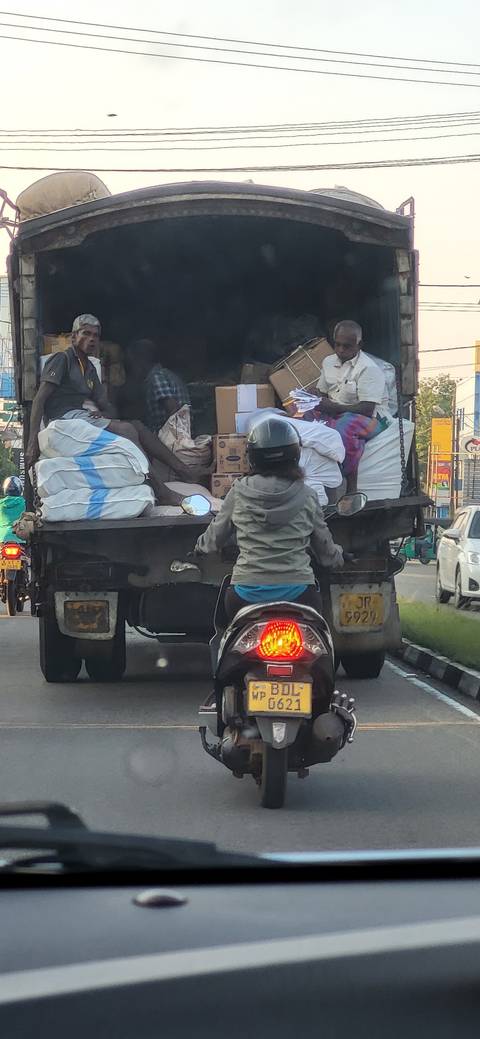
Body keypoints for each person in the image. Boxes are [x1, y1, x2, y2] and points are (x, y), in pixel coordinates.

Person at [25, 315, 194, 503]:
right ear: (73, 337)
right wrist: (32, 441)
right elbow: (39, 399)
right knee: (128, 430)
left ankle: (184, 471)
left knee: (137, 425)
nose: (91, 339)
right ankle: (160, 490)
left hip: (80, 418)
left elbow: (108, 407)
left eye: (95, 336)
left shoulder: (89, 368)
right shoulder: (62, 360)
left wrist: (104, 414)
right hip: (63, 421)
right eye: (86, 334)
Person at [195, 416, 344, 621]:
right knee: (321, 639)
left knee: (225, 634)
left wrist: (200, 548)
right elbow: (325, 550)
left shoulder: (238, 491)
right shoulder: (308, 495)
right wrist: (338, 555)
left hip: (244, 596)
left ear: (252, 456)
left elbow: (214, 538)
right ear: (295, 454)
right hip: (300, 594)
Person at [315, 319, 391, 492]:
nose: (341, 350)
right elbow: (323, 392)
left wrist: (334, 408)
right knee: (303, 420)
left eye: (347, 346)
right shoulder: (328, 362)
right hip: (337, 411)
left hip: (372, 418)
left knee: (344, 427)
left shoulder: (368, 369)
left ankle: (350, 485)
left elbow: (367, 409)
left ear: (359, 345)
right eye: (338, 345)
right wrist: (314, 398)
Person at [145, 354, 191, 435]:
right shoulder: (170, 375)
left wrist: (171, 437)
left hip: (171, 439)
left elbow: (173, 409)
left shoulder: (157, 376)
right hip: (182, 434)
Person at [0, 476, 26, 545]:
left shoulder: (1, 503)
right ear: (20, 489)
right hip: (21, 539)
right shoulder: (25, 502)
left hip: (1, 538)